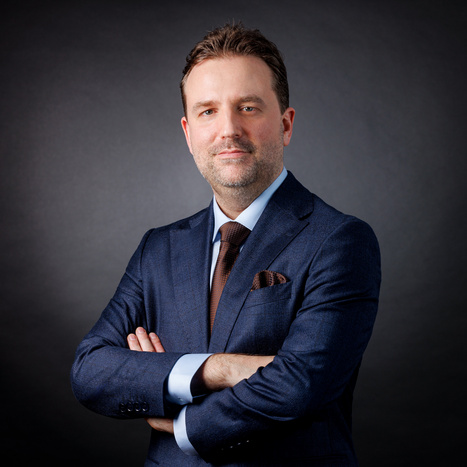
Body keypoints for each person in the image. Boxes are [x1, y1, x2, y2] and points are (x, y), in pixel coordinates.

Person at [71, 23, 381, 466]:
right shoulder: (158, 249)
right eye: (208, 111)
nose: (228, 129)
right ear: (188, 133)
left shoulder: (340, 241)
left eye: (248, 107)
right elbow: (90, 370)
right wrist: (218, 369)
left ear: (286, 124)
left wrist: (181, 416)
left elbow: (301, 384)